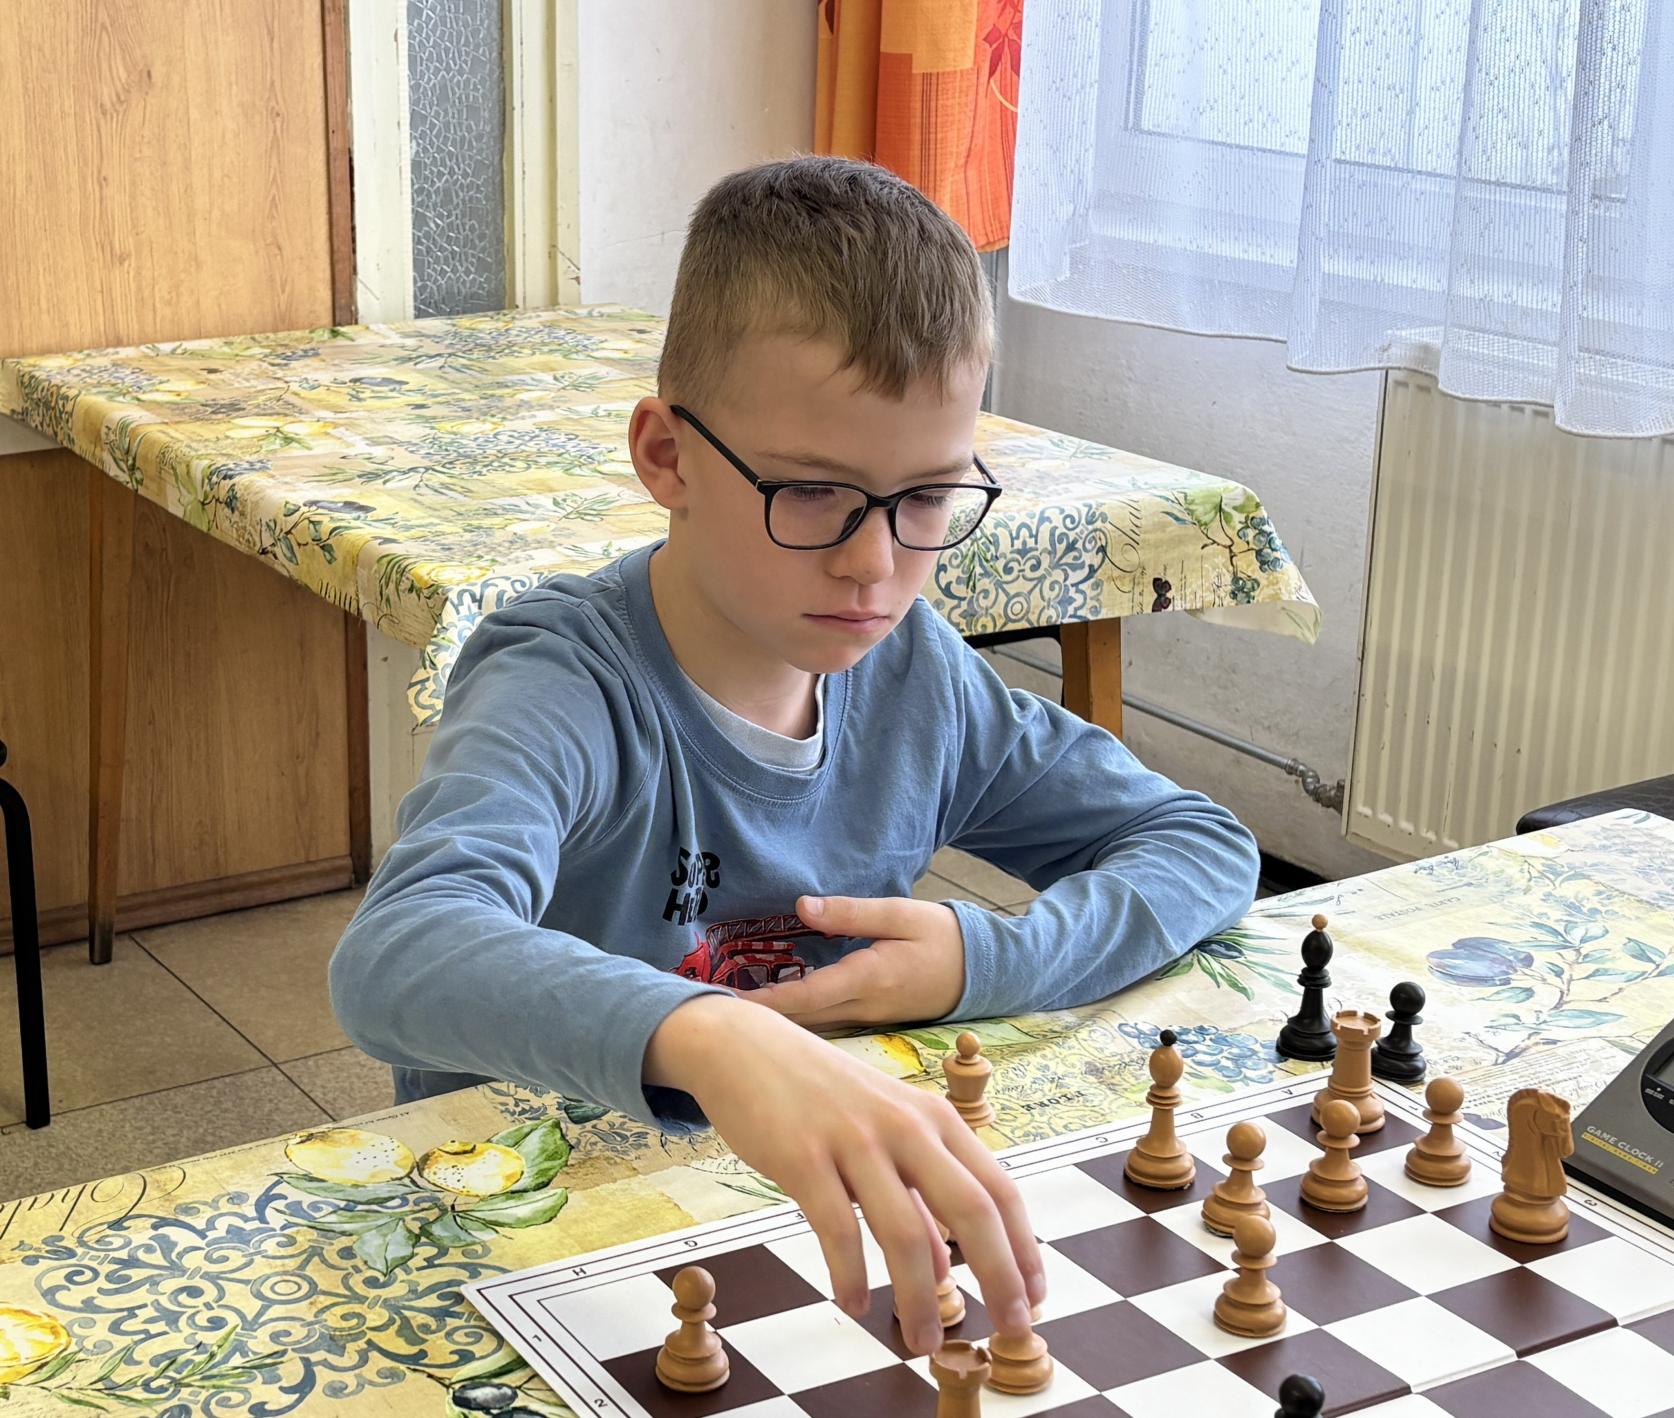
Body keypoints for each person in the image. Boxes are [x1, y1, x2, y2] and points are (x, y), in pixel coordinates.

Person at [330, 156, 1261, 1357]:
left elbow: (1199, 842)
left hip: (789, 1232)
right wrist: (714, 1033)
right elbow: (398, 952)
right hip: (535, 1247)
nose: (875, 564)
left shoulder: (915, 673)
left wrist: (986, 955)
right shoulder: (561, 680)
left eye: (928, 497)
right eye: (814, 492)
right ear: (667, 456)